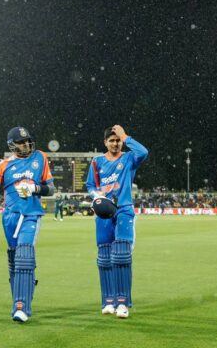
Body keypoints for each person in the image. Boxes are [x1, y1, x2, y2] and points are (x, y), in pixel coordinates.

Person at [0, 127, 55, 323]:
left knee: (24, 254)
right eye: (21, 142)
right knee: (15, 259)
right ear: (12, 145)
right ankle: (19, 299)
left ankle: (22, 307)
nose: (25, 145)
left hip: (31, 214)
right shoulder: (3, 166)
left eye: (27, 141)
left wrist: (35, 188)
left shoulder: (40, 157)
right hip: (9, 217)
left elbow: (51, 188)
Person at [85, 125, 148, 319]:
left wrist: (125, 135)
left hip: (123, 209)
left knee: (121, 255)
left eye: (117, 140)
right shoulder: (97, 162)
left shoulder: (129, 158)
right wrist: (98, 196)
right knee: (104, 257)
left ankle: (122, 303)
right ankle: (108, 301)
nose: (115, 143)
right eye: (111, 140)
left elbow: (144, 152)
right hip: (104, 213)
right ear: (105, 142)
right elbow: (90, 185)